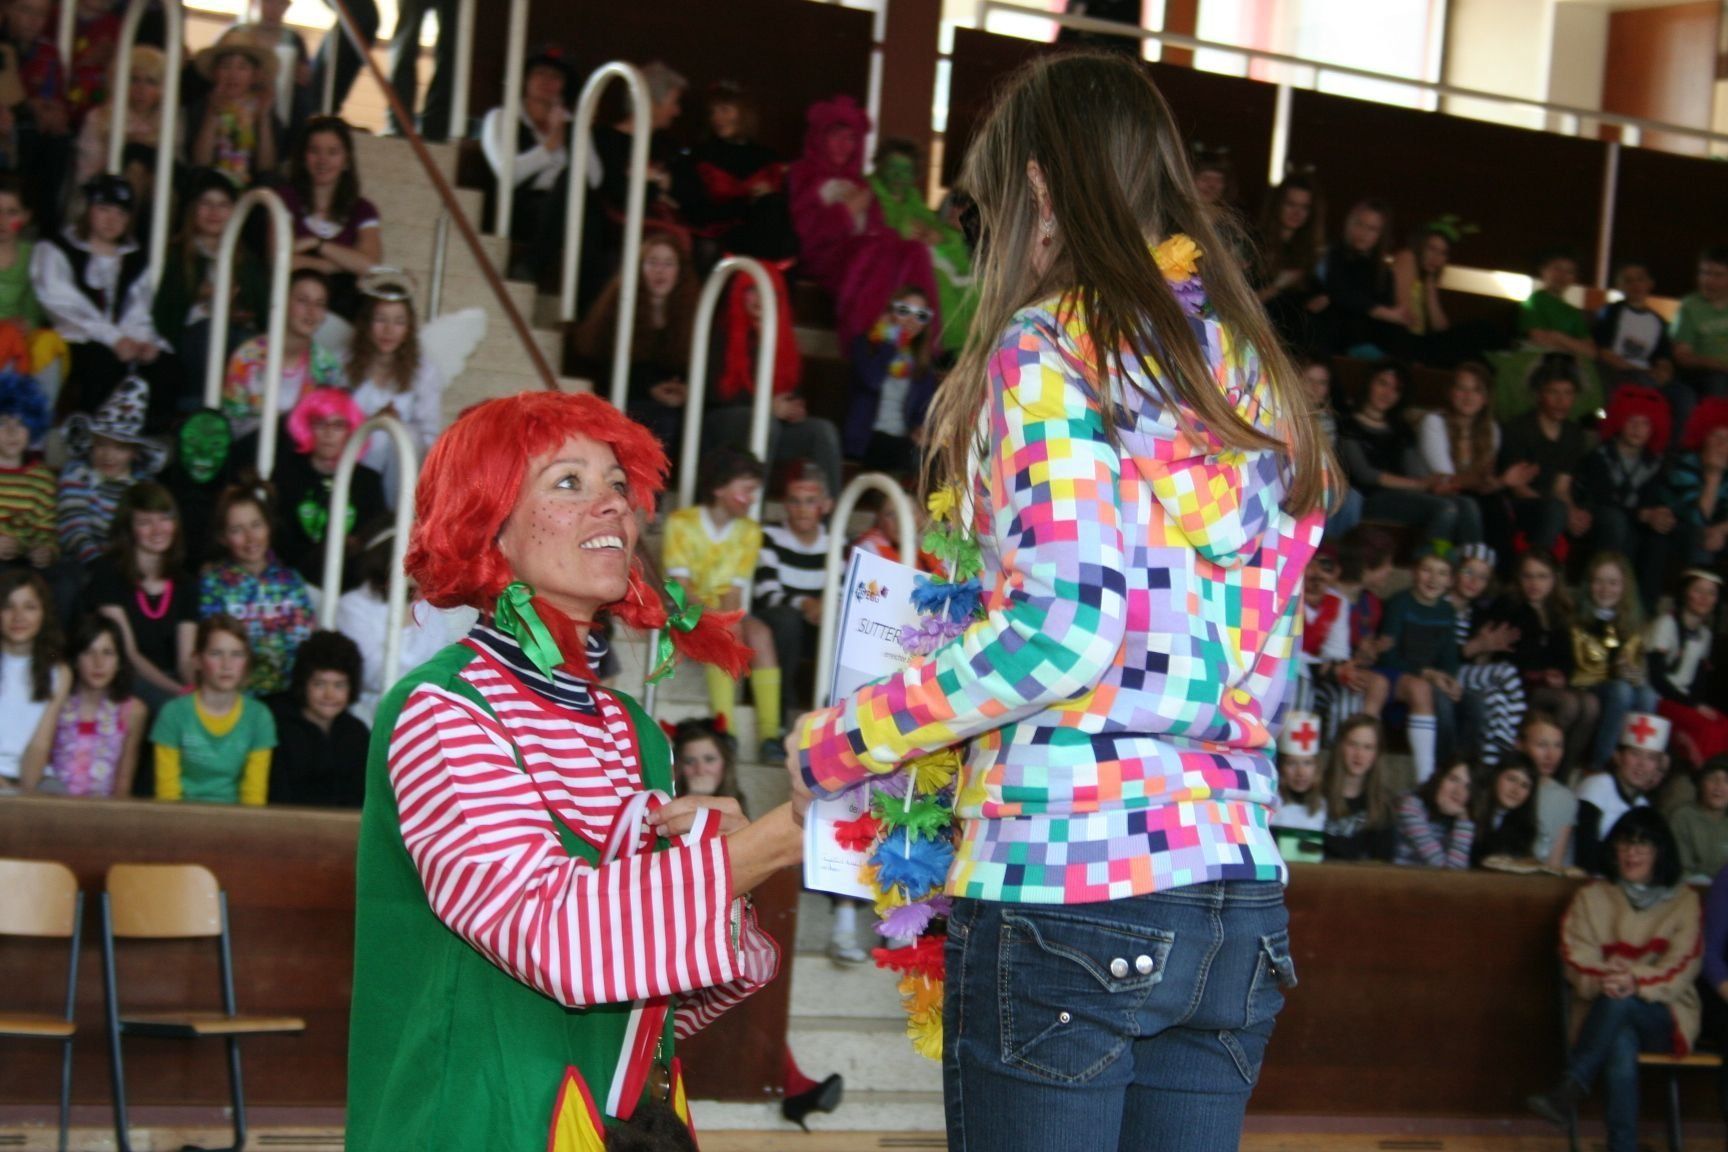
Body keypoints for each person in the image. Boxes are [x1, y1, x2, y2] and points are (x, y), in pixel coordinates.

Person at [789, 53, 1329, 1150]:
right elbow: (1265, 669)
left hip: (1070, 877)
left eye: (986, 211)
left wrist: (843, 740)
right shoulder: (1250, 375)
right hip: (1233, 886)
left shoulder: (1047, 349)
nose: (986, 242)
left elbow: (1063, 631)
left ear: (1039, 189)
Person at [347, 389, 802, 1151]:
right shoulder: (442, 709)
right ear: (487, 524)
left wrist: (726, 868)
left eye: (618, 484)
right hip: (476, 1124)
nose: (613, 504)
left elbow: (661, 995)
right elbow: (549, 936)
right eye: (568, 482)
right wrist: (770, 845)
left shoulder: (634, 730)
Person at [1529, 808, 1702, 1152]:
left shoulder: (1684, 901)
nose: (1631, 853)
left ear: (1660, 852)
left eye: (1642, 845)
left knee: (1620, 1005)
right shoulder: (1590, 897)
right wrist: (1610, 980)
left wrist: (1633, 980)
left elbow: (1682, 966)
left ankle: (1573, 1085)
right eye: (1624, 844)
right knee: (1620, 1038)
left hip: (1664, 1016)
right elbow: (1574, 958)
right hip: (1602, 1012)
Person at [787, 95, 938, 351]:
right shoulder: (804, 175)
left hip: (864, 249)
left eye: (850, 138)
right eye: (836, 136)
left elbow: (876, 227)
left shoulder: (859, 183)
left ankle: (922, 347)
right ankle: (869, 346)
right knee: (876, 250)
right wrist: (845, 212)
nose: (843, 145)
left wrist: (915, 235)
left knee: (914, 251)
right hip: (826, 256)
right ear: (821, 137)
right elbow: (803, 234)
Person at [30, 175, 170, 418]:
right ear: (87, 210)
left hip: (121, 341)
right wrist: (113, 338)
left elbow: (138, 306)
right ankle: (88, 431)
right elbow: (64, 304)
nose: (111, 220)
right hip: (75, 336)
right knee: (102, 362)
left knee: (166, 366)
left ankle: (142, 434)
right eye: (104, 210)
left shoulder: (134, 258)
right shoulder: (56, 248)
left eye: (121, 214)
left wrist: (141, 341)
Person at [704, 265, 844, 498]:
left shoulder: (783, 339)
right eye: (752, 290)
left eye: (769, 291)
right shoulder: (720, 334)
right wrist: (766, 407)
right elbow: (712, 394)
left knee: (822, 431)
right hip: (725, 420)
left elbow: (790, 388)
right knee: (767, 424)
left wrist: (793, 407)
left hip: (774, 424)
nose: (761, 298)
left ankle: (831, 514)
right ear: (740, 294)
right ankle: (753, 506)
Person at [662, 446, 769, 734]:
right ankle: (726, 728)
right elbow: (679, 588)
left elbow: (734, 591)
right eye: (747, 490)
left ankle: (770, 733)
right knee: (726, 630)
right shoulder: (681, 523)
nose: (752, 499)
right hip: (684, 610)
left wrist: (727, 618)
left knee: (761, 634)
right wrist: (716, 619)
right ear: (719, 488)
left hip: (723, 611)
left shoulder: (750, 532)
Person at [570, 232, 697, 457]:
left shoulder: (693, 315)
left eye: (668, 264)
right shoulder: (617, 307)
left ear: (680, 271)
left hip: (671, 404)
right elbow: (601, 363)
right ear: (639, 268)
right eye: (652, 262)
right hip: (625, 396)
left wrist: (684, 390)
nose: (660, 271)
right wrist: (649, 389)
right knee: (660, 419)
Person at [152, 168, 270, 412]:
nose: (214, 212)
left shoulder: (247, 261)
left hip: (239, 338)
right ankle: (199, 412)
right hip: (193, 342)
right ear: (193, 209)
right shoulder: (176, 256)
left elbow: (265, 311)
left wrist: (238, 311)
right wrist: (199, 295)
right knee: (208, 333)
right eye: (206, 203)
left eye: (223, 205)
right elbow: (163, 315)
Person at [334, 522, 475, 723]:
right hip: (371, 715)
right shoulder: (353, 605)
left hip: (425, 711)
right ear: (388, 560)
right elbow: (370, 673)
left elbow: (442, 663)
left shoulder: (428, 607)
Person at [1483, 550, 1598, 773]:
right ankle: (1539, 766)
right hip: (1519, 687)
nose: (1534, 583)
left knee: (1591, 704)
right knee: (1569, 704)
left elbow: (1567, 659)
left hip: (1549, 686)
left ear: (1554, 579)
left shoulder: (1559, 612)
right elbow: (1505, 658)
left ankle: (1563, 772)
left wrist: (1561, 676)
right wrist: (1540, 675)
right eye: (1528, 576)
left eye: (1542, 576)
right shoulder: (1508, 606)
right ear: (1519, 578)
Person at [86, 481, 197, 712]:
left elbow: (185, 661)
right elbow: (128, 654)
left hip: (171, 678)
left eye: (165, 519)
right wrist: (179, 692)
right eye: (145, 522)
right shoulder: (108, 573)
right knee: (173, 710)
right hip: (127, 676)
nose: (158, 530)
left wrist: (198, 690)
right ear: (128, 529)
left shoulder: (185, 582)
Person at [198, 483, 315, 696]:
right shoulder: (213, 584)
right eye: (237, 530)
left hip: (289, 696)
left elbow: (307, 643)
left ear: (269, 526)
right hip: (235, 697)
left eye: (256, 525)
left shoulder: (291, 581)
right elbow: (211, 646)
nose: (250, 537)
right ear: (223, 537)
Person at [749, 462, 831, 762]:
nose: (802, 510)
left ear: (825, 505)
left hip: (820, 622)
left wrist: (824, 608)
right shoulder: (769, 535)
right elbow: (767, 592)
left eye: (810, 501)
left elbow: (843, 590)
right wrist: (806, 604)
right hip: (781, 621)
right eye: (795, 501)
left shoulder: (836, 542)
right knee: (786, 621)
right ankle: (779, 724)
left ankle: (831, 724)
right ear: (785, 504)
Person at [150, 613, 275, 804]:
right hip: (181, 817)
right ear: (197, 660)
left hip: (237, 820)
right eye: (216, 654)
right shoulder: (173, 713)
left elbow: (254, 795)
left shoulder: (259, 717)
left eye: (237, 654)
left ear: (247, 661)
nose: (227, 665)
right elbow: (167, 793)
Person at [1336, 361, 1462, 546]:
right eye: (1383, 383)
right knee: (1445, 508)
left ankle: (1472, 558)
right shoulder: (1347, 424)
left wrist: (1435, 484)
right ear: (1369, 383)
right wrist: (1419, 485)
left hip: (1402, 495)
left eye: (1396, 389)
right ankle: (1430, 558)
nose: (1388, 393)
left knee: (1464, 504)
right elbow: (1365, 474)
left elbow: (1413, 469)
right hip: (1366, 498)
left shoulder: (1401, 429)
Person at [670, 81, 796, 264]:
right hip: (720, 235)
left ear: (743, 113)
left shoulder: (767, 158)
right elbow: (695, 210)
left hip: (761, 235)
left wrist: (768, 196)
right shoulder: (701, 156)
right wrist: (745, 202)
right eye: (713, 112)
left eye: (725, 110)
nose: (717, 118)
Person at [270, 386, 385, 585]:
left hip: (349, 581)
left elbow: (373, 541)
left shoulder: (368, 481)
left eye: (338, 425)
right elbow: (278, 538)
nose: (328, 433)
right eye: (320, 423)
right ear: (307, 426)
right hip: (293, 578)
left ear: (351, 431)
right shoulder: (285, 474)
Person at [869, 137, 975, 352]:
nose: (898, 176)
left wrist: (936, 236)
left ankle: (968, 348)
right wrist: (902, 233)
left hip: (927, 260)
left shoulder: (913, 198)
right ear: (881, 166)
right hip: (891, 270)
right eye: (893, 168)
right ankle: (949, 346)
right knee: (940, 281)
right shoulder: (869, 193)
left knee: (976, 285)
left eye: (906, 170)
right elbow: (870, 234)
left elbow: (935, 227)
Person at [1574, 385, 1674, 611]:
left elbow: (1654, 500)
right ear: (1620, 422)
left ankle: (1645, 612)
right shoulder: (1600, 456)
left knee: (1659, 537)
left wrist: (1661, 515)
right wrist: (1642, 514)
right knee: (1616, 522)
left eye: (1645, 423)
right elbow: (1600, 499)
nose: (1638, 429)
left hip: (1636, 524)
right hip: (1602, 520)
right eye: (1632, 422)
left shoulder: (1655, 463)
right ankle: (1607, 603)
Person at [28, 614, 145, 797]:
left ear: (120, 662)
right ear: (75, 659)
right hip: (53, 805)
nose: (98, 663)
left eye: (107, 653)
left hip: (104, 811)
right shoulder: (56, 703)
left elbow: (123, 783)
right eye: (88, 652)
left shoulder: (133, 711)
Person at [1372, 549, 1463, 783]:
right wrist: (1428, 674)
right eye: (1426, 570)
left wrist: (1450, 680)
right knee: (1436, 698)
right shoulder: (1399, 604)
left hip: (1430, 680)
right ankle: (1432, 775)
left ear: (1451, 580)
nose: (1433, 579)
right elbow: (1387, 657)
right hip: (1398, 676)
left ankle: (1462, 768)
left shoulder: (1447, 611)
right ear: (1413, 573)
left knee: (1473, 703)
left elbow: (1450, 657)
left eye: (1442, 573)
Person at [280, 115, 383, 319]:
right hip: (291, 310)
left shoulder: (363, 209)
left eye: (332, 152)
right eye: (314, 151)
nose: (322, 160)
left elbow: (370, 267)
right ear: (303, 157)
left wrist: (317, 244)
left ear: (346, 161)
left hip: (341, 313)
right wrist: (341, 265)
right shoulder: (285, 199)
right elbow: (281, 260)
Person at [221, 268, 341, 440]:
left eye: (319, 304)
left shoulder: (328, 366)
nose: (311, 311)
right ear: (283, 302)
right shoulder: (247, 357)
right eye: (302, 301)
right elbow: (231, 424)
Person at [57, 376, 166, 565]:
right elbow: (73, 526)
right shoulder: (78, 473)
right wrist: (97, 562)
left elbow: (151, 531)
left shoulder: (143, 485)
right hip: (82, 563)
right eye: (101, 445)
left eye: (120, 448)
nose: (108, 456)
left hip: (131, 563)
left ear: (134, 453)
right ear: (91, 445)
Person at [1496, 357, 1592, 563]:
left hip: (1554, 505)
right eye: (1553, 392)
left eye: (1568, 393)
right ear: (1539, 393)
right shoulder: (1517, 428)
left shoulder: (1573, 434)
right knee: (1554, 510)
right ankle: (1536, 568)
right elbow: (1517, 488)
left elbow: (1561, 487)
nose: (1561, 401)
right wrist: (1560, 510)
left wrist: (1572, 512)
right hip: (1520, 505)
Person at [344, 275, 445, 471]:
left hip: (401, 467)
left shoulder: (424, 372)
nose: (388, 330)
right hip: (352, 460)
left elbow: (428, 434)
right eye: (381, 319)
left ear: (408, 328)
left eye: (399, 322)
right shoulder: (345, 363)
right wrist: (372, 422)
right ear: (367, 323)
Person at [1573, 553, 1658, 774]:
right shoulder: (1576, 620)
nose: (1605, 589)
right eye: (1599, 581)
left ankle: (1634, 764)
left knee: (1648, 695)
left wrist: (1633, 673)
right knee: (1621, 691)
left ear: (1624, 587)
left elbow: (1636, 666)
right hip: (1586, 684)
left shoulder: (1632, 623)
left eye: (1613, 583)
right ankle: (1601, 764)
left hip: (1618, 684)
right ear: (1589, 584)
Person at [844, 286, 939, 477]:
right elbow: (872, 380)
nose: (911, 320)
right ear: (889, 312)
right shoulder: (865, 346)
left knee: (934, 456)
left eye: (921, 315)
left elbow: (922, 412)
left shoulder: (921, 363)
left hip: (902, 439)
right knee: (906, 456)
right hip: (868, 438)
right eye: (904, 311)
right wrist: (890, 342)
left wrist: (920, 430)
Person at [269, 629, 367, 807]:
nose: (329, 695)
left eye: (339, 685)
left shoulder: (357, 733)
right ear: (303, 684)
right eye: (319, 684)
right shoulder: (274, 723)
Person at [1450, 543, 1525, 768]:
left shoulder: (1475, 612)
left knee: (1496, 697)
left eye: (1482, 577)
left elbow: (1476, 658)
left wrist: (1486, 649)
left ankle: (1490, 764)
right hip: (1449, 674)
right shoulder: (1444, 604)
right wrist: (1478, 645)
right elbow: (1445, 653)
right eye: (1468, 572)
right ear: (1454, 571)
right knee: (1506, 672)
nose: (1474, 581)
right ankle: (1511, 739)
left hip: (1467, 673)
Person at [1648, 568, 1728, 768]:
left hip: (1684, 701)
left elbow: (1699, 679)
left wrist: (1697, 703)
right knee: (1708, 728)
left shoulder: (1705, 634)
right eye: (1698, 591)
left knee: (1724, 724)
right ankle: (1703, 773)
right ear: (1685, 592)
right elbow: (1656, 678)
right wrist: (1693, 704)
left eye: (1711, 593)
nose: (1705, 598)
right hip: (1662, 698)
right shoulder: (1666, 624)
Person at [1575, 712, 1671, 876]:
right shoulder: (1597, 786)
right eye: (1635, 754)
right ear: (1618, 756)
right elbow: (1585, 855)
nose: (1641, 764)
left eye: (1651, 758)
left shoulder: (1643, 805)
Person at [183, 26, 280, 189]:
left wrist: (263, 117)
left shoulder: (263, 107)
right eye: (226, 66)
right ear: (215, 72)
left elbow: (267, 168)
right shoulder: (200, 107)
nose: (233, 74)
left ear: (254, 75)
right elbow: (200, 163)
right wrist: (212, 113)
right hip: (209, 189)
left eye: (242, 67)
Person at [72, 44, 168, 197]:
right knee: (135, 165)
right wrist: (121, 147)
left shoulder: (169, 122)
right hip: (103, 195)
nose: (141, 89)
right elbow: (86, 177)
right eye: (134, 79)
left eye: (151, 81)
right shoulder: (98, 117)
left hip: (154, 197)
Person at [0, 568, 64, 793]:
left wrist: (24, 798)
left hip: (33, 777)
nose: (18, 617)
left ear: (43, 613)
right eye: (8, 607)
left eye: (29, 607)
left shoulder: (59, 672)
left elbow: (40, 744)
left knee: (58, 794)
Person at [1252, 172, 1326, 353]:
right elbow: (1241, 302)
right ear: (1278, 205)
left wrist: (1321, 300)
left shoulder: (1310, 252)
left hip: (1296, 343)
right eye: (1290, 204)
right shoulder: (1255, 244)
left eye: (1304, 207)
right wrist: (1277, 286)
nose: (1297, 213)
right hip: (1258, 335)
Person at [1321, 715, 1396, 861]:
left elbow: (1383, 863)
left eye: (1368, 747)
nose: (1359, 754)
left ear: (1377, 754)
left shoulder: (1383, 805)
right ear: (1340, 746)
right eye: (1352, 744)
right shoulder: (1316, 793)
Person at [1664, 398, 1728, 569]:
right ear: (1704, 437)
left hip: (1716, 530)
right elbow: (1697, 519)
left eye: (1727, 438)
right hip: (1680, 531)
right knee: (1699, 536)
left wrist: (1721, 530)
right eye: (1716, 436)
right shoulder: (1685, 465)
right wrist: (1714, 476)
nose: (1721, 444)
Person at [1670, 245, 1728, 403]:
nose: (1708, 281)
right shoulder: (1689, 307)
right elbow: (1682, 356)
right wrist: (1718, 365)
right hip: (1702, 375)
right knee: (1718, 380)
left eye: (1718, 275)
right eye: (1704, 273)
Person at [1522, 711, 1578, 870]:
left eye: (1558, 746)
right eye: (1542, 745)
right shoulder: (1505, 786)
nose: (1551, 755)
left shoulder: (1564, 798)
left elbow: (1554, 862)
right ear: (1520, 745)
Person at [1393, 761, 1475, 869]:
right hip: (1402, 877)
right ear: (1439, 778)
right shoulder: (1411, 806)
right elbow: (1448, 871)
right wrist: (1463, 821)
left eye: (1467, 786)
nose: (1458, 791)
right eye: (1453, 779)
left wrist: (1463, 818)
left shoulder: (1466, 818)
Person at [1270, 710, 1327, 864]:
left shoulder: (1323, 806)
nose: (1301, 772)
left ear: (1316, 767)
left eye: (1307, 763)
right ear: (1281, 766)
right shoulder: (1270, 804)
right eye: (1292, 763)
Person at [1518, 249, 1597, 359]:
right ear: (1543, 270)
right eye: (1557, 268)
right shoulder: (1534, 302)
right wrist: (1574, 346)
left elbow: (1591, 352)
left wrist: (1558, 337)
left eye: (1570, 272)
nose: (1562, 275)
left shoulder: (1573, 312)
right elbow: (1539, 340)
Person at [1669, 757, 1728, 882]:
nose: (1719, 786)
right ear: (1701, 784)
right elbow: (1681, 869)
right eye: (1712, 779)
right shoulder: (1683, 817)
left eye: (1726, 781)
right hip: (1691, 889)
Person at [1471, 759, 1539, 867]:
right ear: (1496, 776)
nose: (1516, 790)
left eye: (1525, 785)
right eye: (1512, 779)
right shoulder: (1472, 812)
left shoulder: (1525, 828)